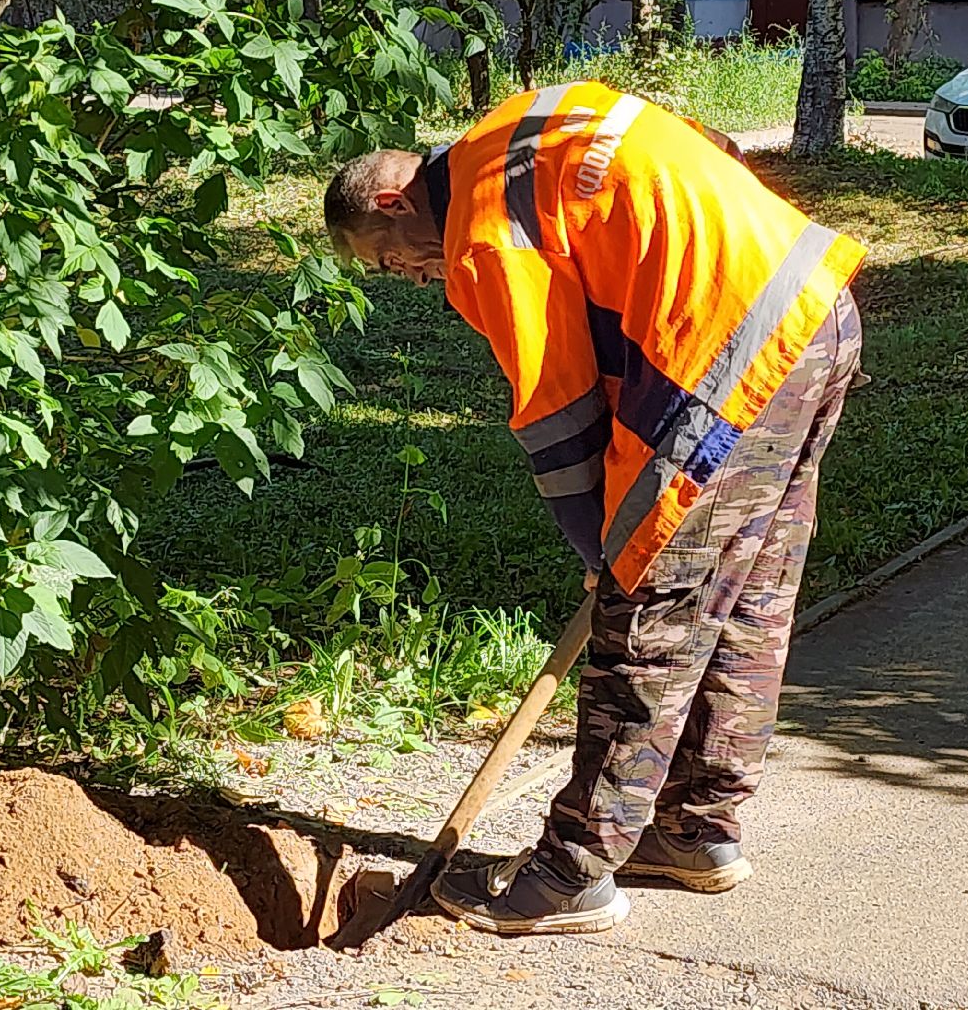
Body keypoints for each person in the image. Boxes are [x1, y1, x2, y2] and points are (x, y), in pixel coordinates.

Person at [322, 82, 865, 935]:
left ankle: (573, 873)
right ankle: (693, 828)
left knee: (648, 612)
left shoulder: (484, 228)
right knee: (748, 596)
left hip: (726, 355)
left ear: (392, 201)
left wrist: (605, 545)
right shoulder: (525, 125)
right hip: (811, 309)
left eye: (389, 258)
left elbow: (557, 404)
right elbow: (710, 145)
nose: (412, 277)